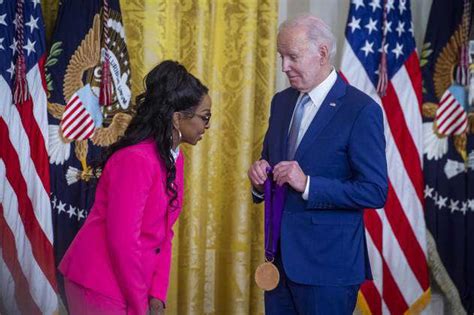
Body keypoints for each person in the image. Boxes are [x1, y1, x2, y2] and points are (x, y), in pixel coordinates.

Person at [248, 15, 388, 314]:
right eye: (281, 57)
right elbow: (271, 164)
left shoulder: (361, 110)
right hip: (279, 263)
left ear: (322, 53)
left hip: (329, 270)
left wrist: (309, 184)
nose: (284, 66)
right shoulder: (281, 102)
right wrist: (260, 181)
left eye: (292, 57)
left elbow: (375, 191)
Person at [59, 60, 212, 315]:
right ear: (177, 118)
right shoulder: (135, 160)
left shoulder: (175, 158)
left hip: (133, 282)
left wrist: (157, 296)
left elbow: (165, 233)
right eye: (205, 117)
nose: (207, 126)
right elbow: (123, 241)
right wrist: (140, 303)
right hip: (99, 282)